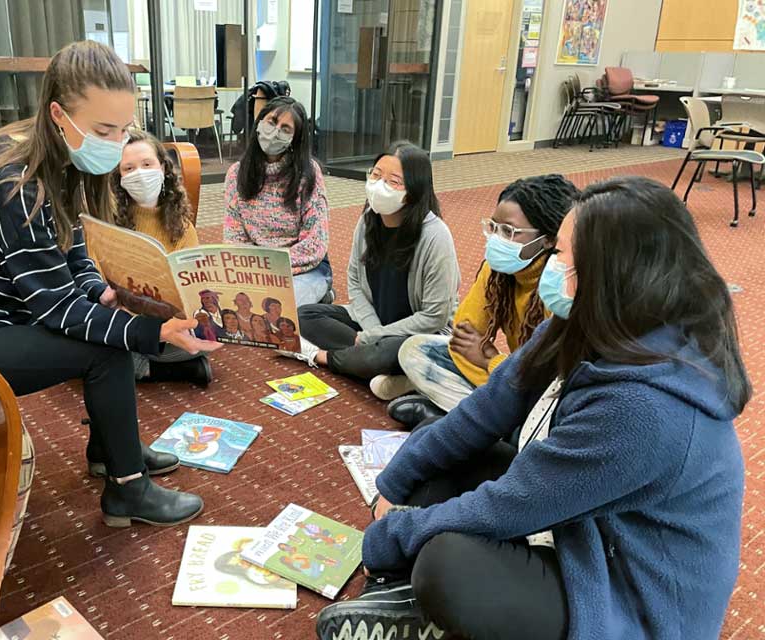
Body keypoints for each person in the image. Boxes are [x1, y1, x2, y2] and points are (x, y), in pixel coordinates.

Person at [316, 177, 749, 640]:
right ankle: (409, 604)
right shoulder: (580, 322)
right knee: (441, 469)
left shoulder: (645, 408)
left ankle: (416, 606)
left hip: (633, 598)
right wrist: (395, 482)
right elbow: (484, 410)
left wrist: (389, 537)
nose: (552, 266)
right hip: (587, 529)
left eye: (563, 255)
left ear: (613, 274)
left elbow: (511, 505)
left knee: (448, 565)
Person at [0, 41, 219, 529]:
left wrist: (106, 291)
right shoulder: (11, 180)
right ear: (60, 113)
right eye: (105, 130)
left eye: (124, 128)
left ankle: (111, 450)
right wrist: (155, 332)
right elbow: (56, 308)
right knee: (106, 347)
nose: (117, 141)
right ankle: (127, 490)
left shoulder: (54, 152)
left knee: (107, 327)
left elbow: (71, 245)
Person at [389, 174, 579, 428]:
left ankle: (477, 420)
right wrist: (497, 365)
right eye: (493, 227)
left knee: (545, 406)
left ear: (547, 239)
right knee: (415, 349)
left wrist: (491, 360)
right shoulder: (499, 271)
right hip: (514, 377)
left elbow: (547, 374)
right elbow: (465, 330)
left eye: (509, 231)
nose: (496, 238)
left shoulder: (558, 284)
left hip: (542, 388)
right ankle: (489, 421)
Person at [285, 142, 460, 401]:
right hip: (374, 321)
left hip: (416, 333)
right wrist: (372, 332)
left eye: (394, 181)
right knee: (304, 314)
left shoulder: (435, 235)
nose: (379, 185)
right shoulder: (369, 219)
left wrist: (373, 337)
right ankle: (398, 374)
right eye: (376, 175)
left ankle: (323, 357)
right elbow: (354, 282)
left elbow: (434, 316)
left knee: (391, 350)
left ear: (415, 189)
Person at [114, 129, 211, 386]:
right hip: (123, 324)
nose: (140, 174)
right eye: (129, 169)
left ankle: (143, 369)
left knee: (202, 337)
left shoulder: (182, 226)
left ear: (163, 169)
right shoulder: (107, 221)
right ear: (119, 178)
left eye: (147, 165)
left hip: (168, 328)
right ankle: (178, 371)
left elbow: (192, 291)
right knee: (88, 344)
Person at [223, 96, 332, 307]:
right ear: (260, 123)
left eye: (286, 129)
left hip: (305, 268)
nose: (275, 131)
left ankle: (319, 295)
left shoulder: (309, 173)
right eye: (272, 122)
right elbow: (234, 237)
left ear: (295, 139)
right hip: (254, 270)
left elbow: (315, 243)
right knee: (227, 304)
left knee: (277, 308)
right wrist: (257, 272)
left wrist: (272, 270)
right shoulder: (236, 174)